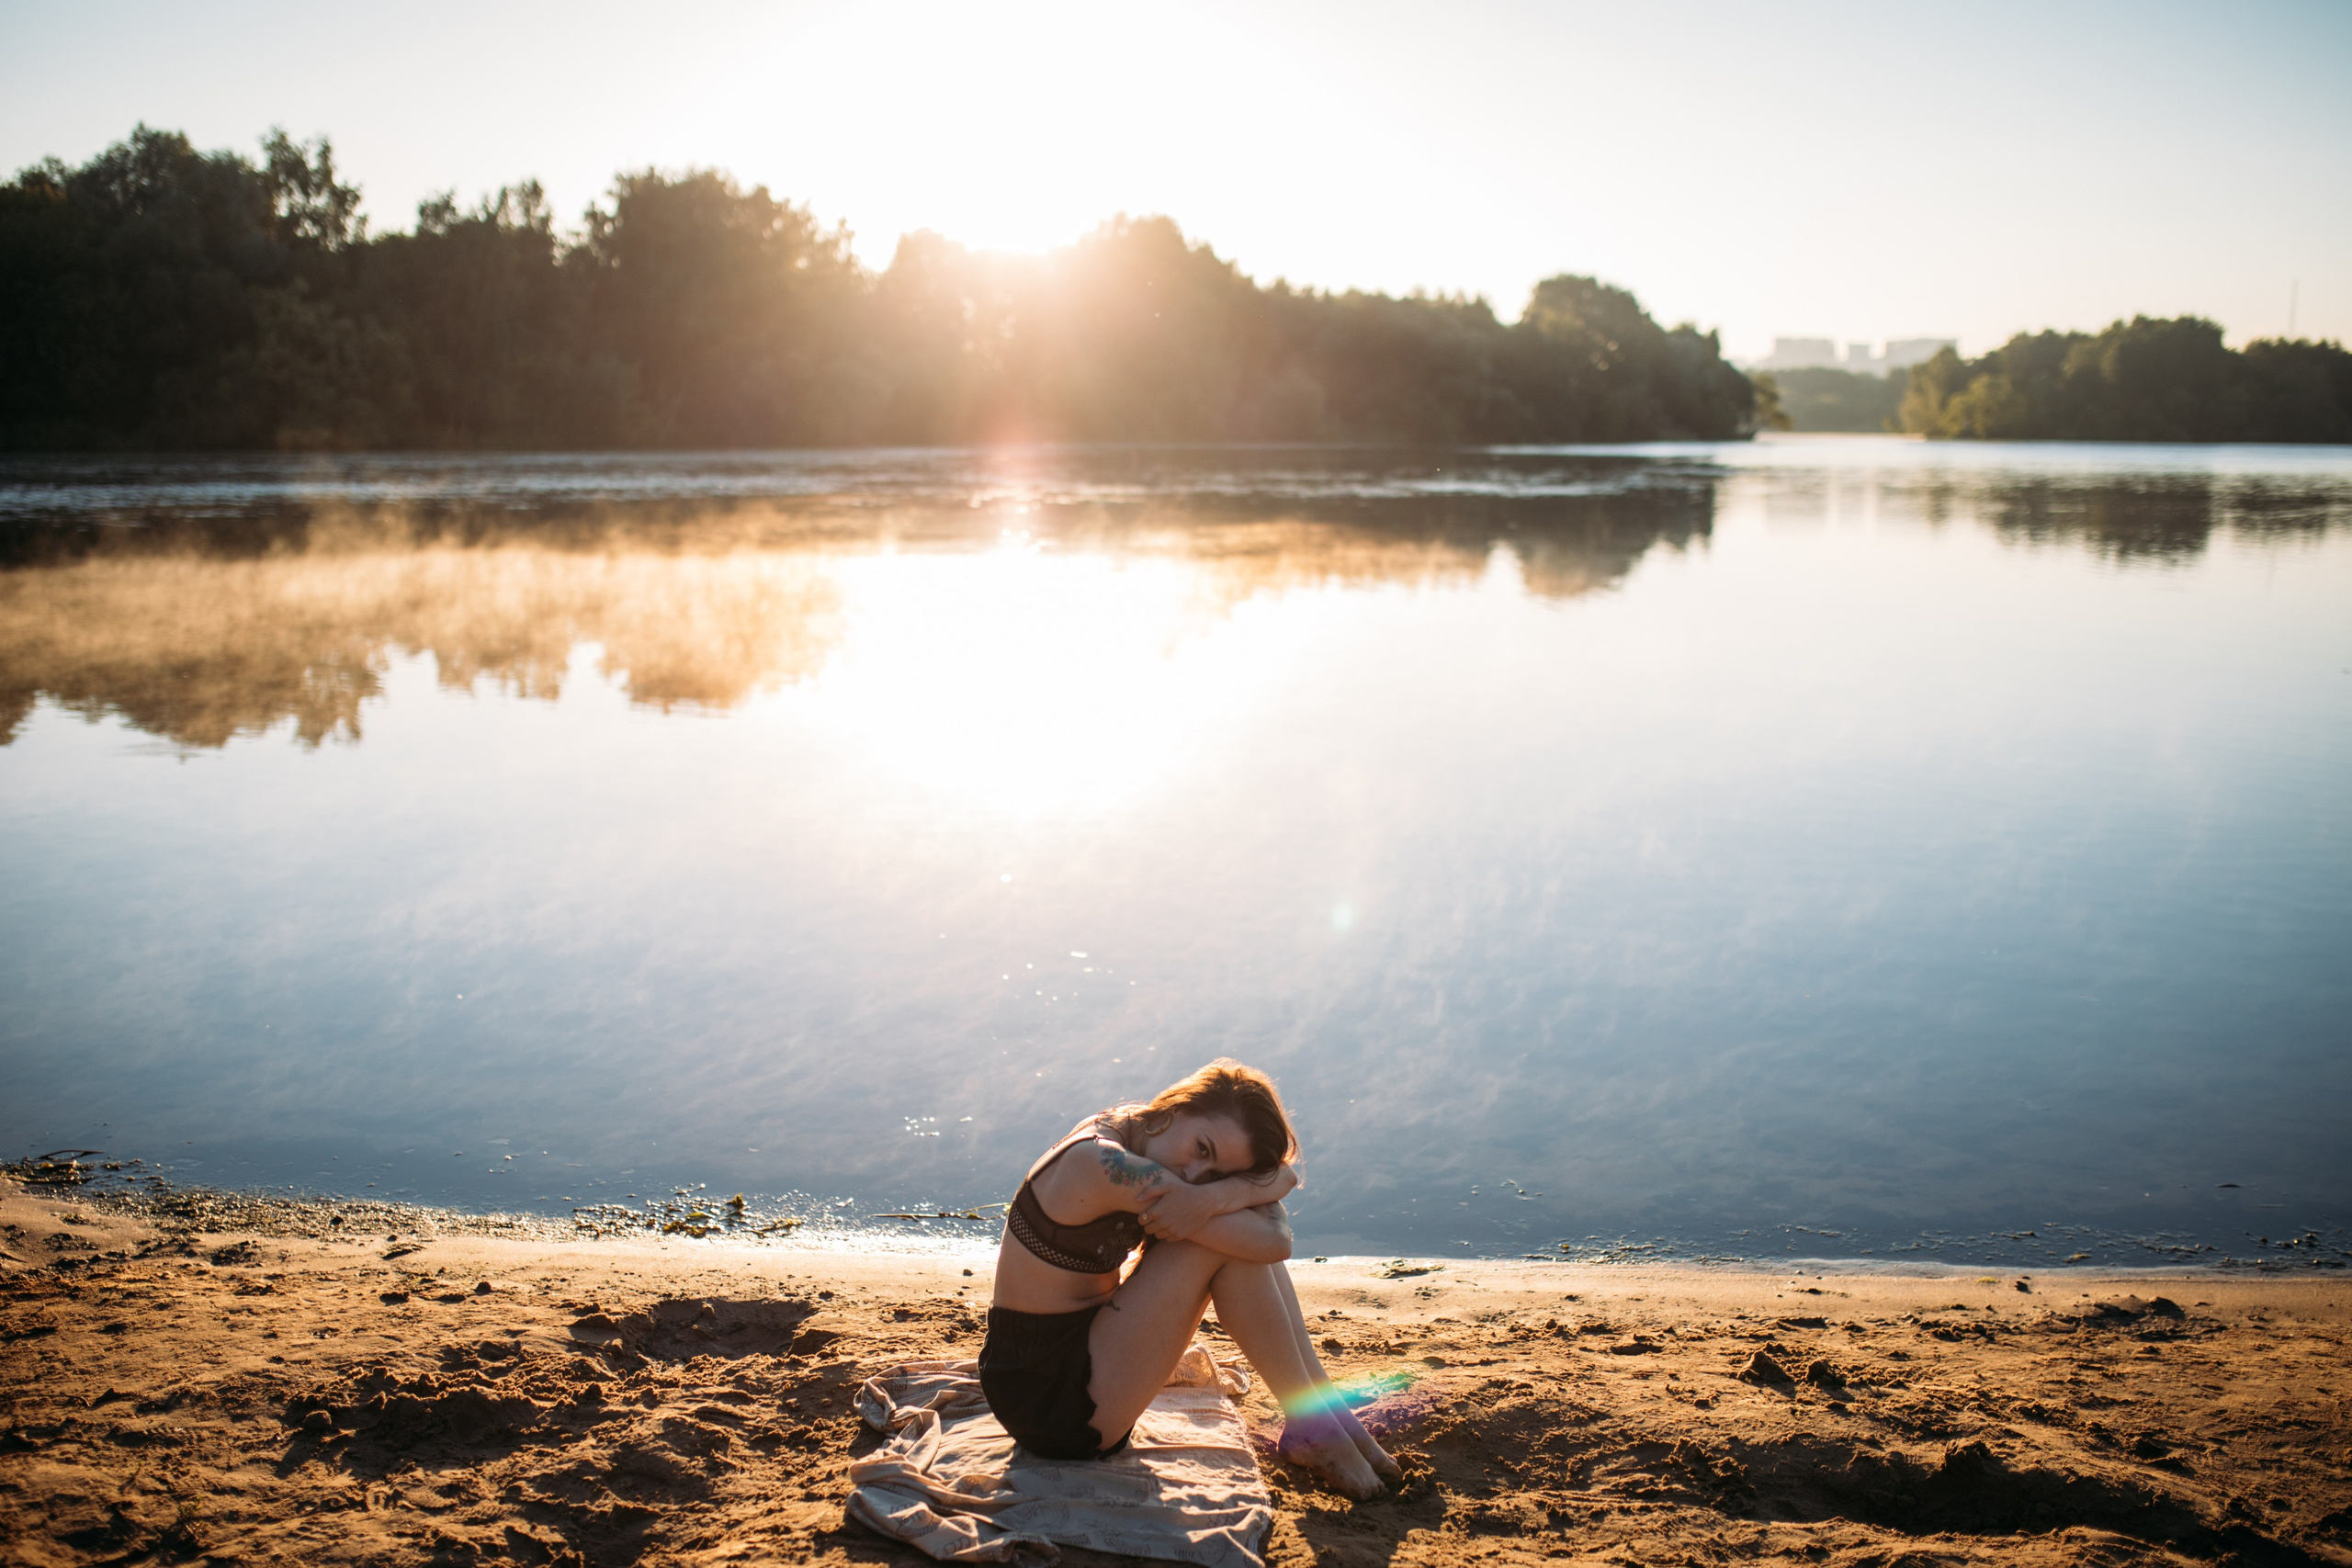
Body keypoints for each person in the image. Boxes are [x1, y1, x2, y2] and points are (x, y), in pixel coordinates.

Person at [978, 1058, 1401, 1497]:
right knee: (1221, 1243)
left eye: (1215, 1172)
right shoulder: (1102, 1164)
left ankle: (1322, 1414)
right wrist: (1225, 1195)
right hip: (1048, 1397)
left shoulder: (1138, 1131)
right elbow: (1275, 1238)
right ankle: (1313, 1425)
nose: (1194, 1177)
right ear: (1175, 1110)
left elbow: (1280, 1181)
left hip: (1082, 1358)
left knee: (1232, 1236)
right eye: (1202, 1149)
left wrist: (1222, 1194)